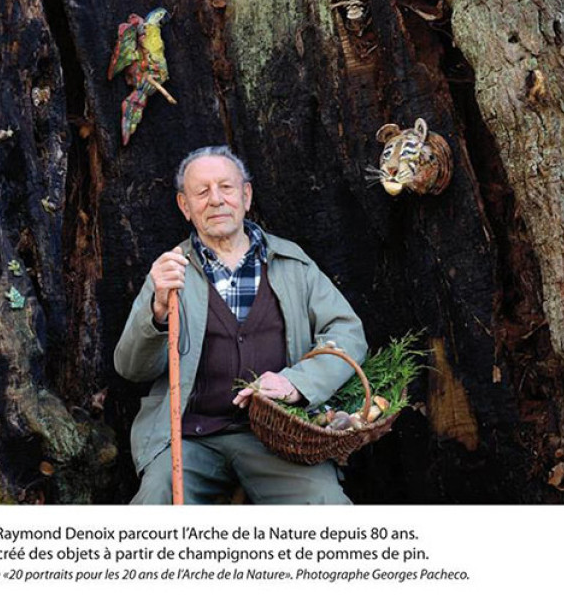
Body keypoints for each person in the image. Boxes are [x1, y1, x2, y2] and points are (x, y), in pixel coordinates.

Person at [115, 146, 393, 504]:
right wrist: (156, 310)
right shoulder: (171, 272)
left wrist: (296, 383)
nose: (216, 200)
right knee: (157, 500)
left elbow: (347, 334)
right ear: (185, 206)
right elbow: (131, 368)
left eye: (226, 187)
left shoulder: (291, 264)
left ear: (246, 196)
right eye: (202, 191)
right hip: (190, 437)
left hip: (281, 436)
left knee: (324, 503)